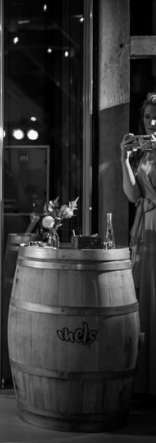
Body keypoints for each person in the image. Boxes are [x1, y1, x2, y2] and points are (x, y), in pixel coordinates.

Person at [121, 91, 156, 399]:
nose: (151, 122)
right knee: (142, 301)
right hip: (144, 230)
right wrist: (125, 160)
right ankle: (144, 383)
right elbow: (133, 195)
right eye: (147, 117)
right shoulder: (143, 154)